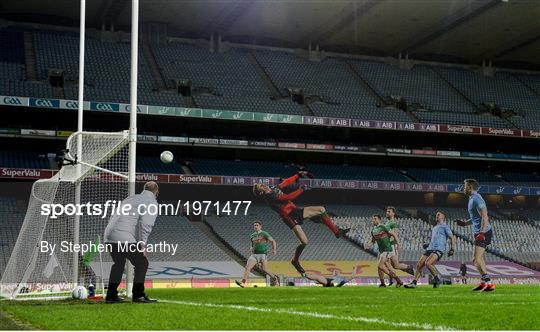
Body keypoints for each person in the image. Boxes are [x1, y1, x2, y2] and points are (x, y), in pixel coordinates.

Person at [253, 171, 347, 287]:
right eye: (260, 186)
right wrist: (301, 189)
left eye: (261, 184)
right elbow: (287, 197)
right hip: (289, 217)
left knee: (321, 209)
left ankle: (337, 232)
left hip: (295, 210)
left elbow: (285, 183)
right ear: (261, 192)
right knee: (304, 241)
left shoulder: (272, 188)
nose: (262, 184)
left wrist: (298, 175)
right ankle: (295, 260)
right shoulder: (270, 197)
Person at [104, 181, 159, 303]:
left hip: (109, 235)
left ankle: (111, 295)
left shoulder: (131, 198)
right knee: (142, 263)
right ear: (157, 193)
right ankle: (138, 295)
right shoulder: (151, 202)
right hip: (123, 236)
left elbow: (115, 215)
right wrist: (142, 244)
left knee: (118, 264)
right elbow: (145, 224)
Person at [454, 179, 495, 292]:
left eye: (465, 186)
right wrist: (464, 223)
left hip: (484, 232)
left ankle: (489, 283)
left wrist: (481, 233)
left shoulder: (477, 198)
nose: (463, 188)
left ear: (470, 187)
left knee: (476, 259)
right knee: (477, 259)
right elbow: (475, 217)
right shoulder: (471, 198)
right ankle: (484, 282)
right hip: (479, 232)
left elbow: (485, 216)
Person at [405, 211, 456, 288]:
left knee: (428, 263)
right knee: (419, 265)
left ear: (443, 217)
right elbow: (435, 239)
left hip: (438, 249)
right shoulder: (434, 227)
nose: (437, 216)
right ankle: (414, 283)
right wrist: (428, 244)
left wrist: (452, 249)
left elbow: (452, 237)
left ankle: (437, 279)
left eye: (439, 215)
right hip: (430, 248)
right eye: (436, 215)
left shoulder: (445, 226)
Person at [236, 220, 279, 288]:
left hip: (262, 254)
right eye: (254, 225)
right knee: (247, 267)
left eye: (257, 225)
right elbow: (252, 245)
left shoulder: (264, 233)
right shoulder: (252, 235)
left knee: (265, 269)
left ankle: (275, 278)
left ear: (260, 226)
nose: (255, 226)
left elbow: (273, 241)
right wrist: (251, 247)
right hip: (254, 255)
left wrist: (274, 249)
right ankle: (243, 283)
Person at [364, 214, 403, 287]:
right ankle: (397, 280)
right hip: (382, 251)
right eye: (373, 219)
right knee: (381, 267)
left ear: (379, 220)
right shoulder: (373, 230)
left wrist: (398, 244)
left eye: (375, 219)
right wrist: (368, 245)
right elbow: (373, 241)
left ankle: (397, 280)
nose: (373, 220)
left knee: (381, 266)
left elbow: (393, 234)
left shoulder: (383, 227)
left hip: (387, 249)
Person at [380, 206, 414, 286]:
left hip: (391, 246)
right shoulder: (388, 222)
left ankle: (407, 269)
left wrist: (393, 243)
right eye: (387, 211)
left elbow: (395, 234)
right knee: (394, 265)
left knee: (390, 265)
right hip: (389, 246)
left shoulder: (393, 223)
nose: (387, 213)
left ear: (393, 213)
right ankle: (394, 280)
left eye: (389, 211)